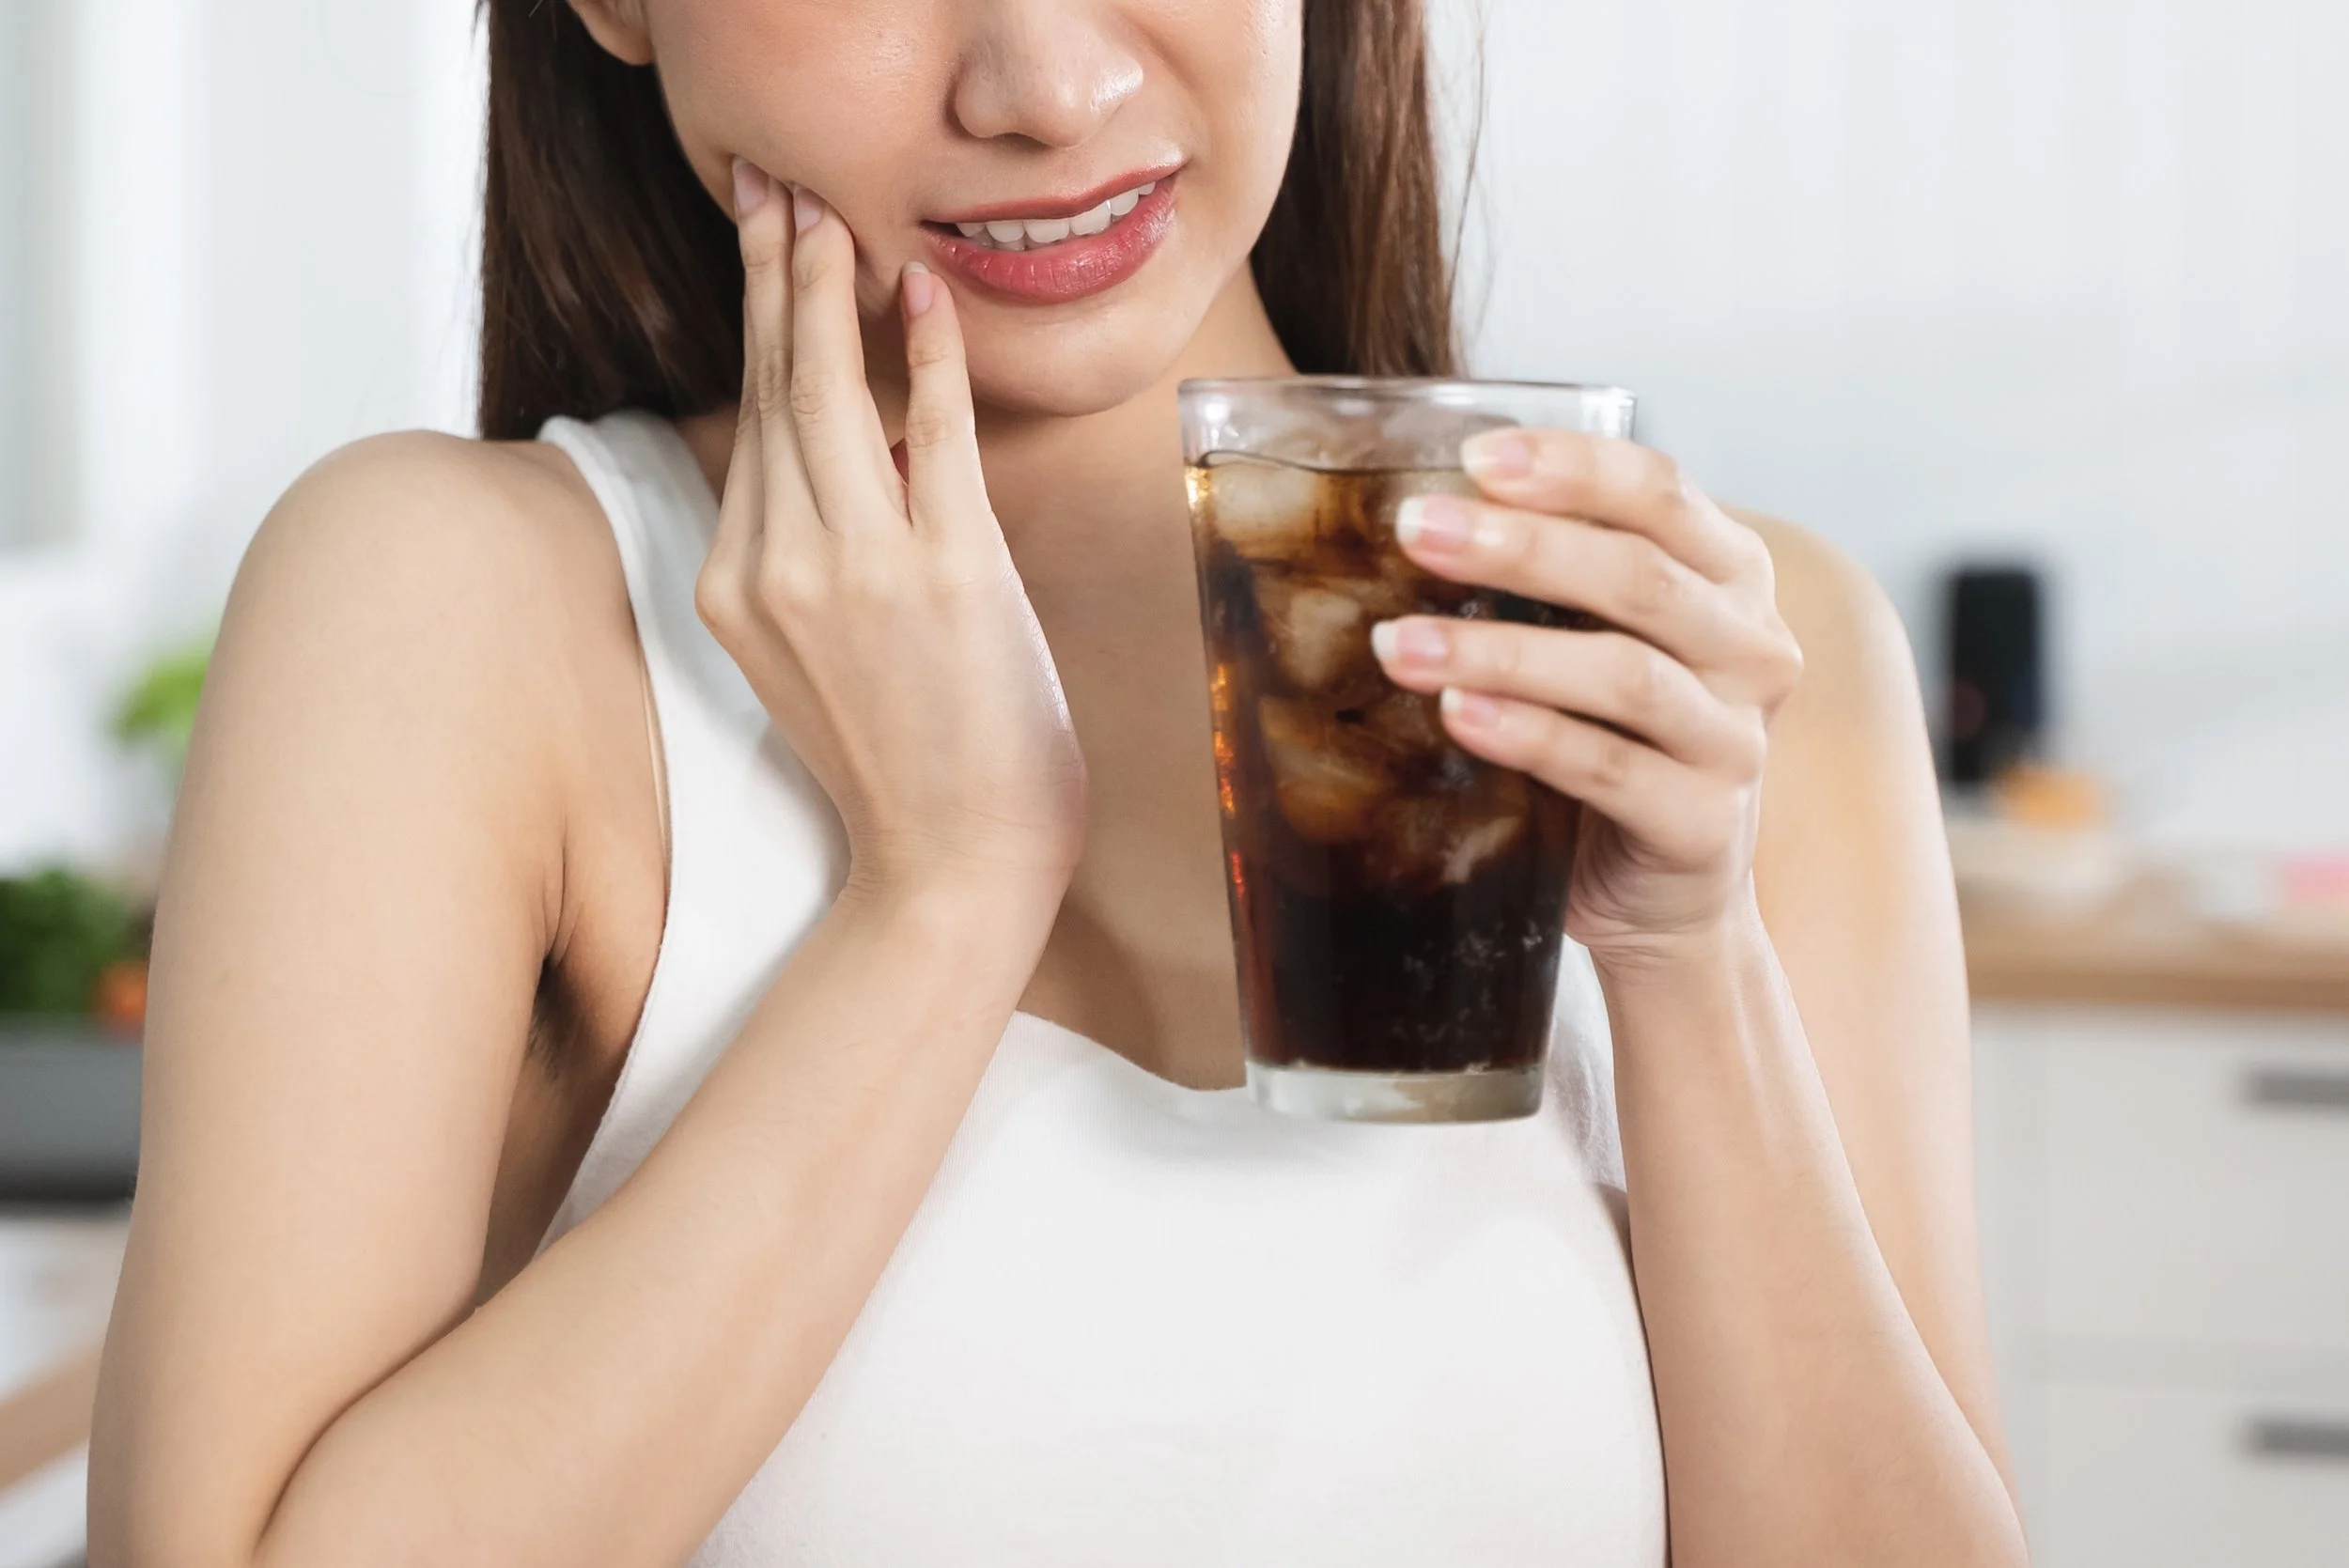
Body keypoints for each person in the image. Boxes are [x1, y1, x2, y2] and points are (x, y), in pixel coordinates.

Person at [88, 2, 2027, 1564]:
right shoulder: (466, 608)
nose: (1043, 82)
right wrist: (935, 903)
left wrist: (1685, 968)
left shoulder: (1720, 661)